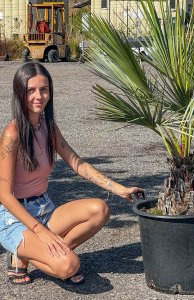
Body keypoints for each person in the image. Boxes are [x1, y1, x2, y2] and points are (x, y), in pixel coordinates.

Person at [0, 62, 143, 285]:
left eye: (44, 89)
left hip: (43, 208)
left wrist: (119, 189)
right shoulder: (13, 133)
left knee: (99, 210)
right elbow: (4, 195)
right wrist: (41, 233)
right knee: (68, 266)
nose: (39, 96)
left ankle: (40, 254)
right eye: (31, 90)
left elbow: (78, 164)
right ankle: (32, 253)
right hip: (15, 218)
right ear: (20, 93)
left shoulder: (48, 126)